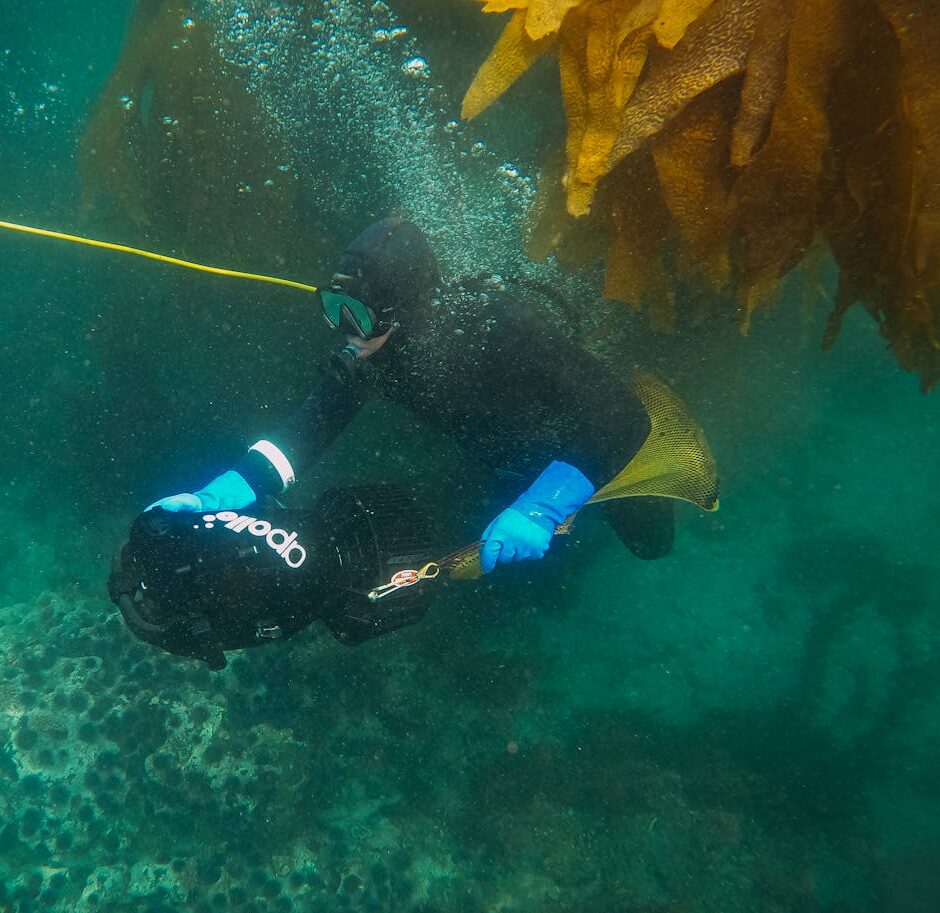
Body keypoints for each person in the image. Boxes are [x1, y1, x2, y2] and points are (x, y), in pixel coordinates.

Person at [149, 217, 674, 573]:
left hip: (586, 448)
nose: (344, 332)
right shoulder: (375, 355)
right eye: (334, 307)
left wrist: (544, 505)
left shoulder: (502, 328)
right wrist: (229, 489)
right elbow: (312, 427)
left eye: (356, 316)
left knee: (652, 545)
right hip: (500, 459)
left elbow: (620, 418)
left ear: (400, 312)